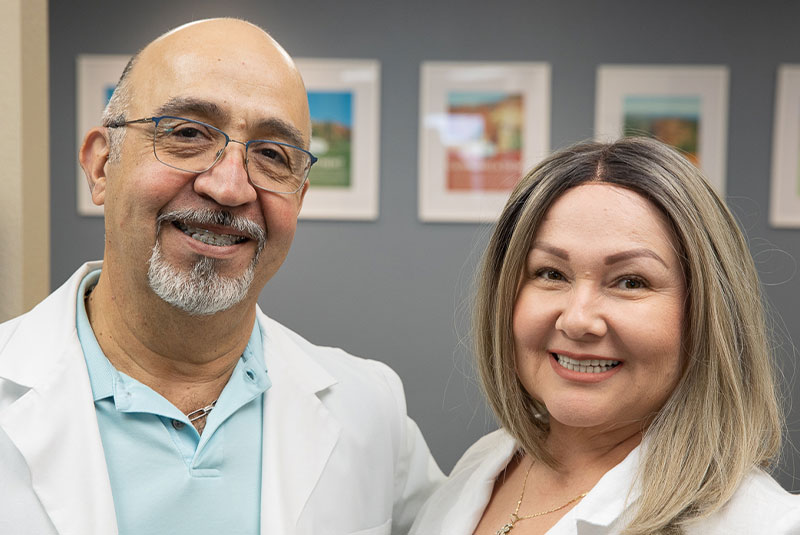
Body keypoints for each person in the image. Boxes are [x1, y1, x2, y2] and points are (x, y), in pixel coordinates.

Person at [0, 18, 442, 535]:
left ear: (298, 200)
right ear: (102, 166)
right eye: (187, 134)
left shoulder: (371, 410)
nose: (230, 187)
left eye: (273, 156)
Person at [411, 137, 800, 534]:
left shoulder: (765, 525)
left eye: (631, 282)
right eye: (551, 273)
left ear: (707, 313)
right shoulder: (485, 464)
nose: (578, 320)